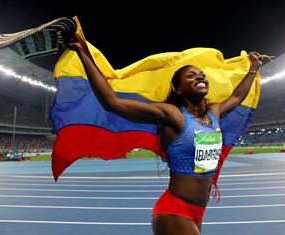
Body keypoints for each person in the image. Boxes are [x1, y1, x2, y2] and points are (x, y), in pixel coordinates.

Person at [66, 33, 263, 235]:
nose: (200, 76)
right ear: (179, 89)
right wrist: (83, 54)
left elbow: (238, 96)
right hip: (174, 211)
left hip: (198, 211)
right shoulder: (172, 115)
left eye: (201, 74)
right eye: (191, 76)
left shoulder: (214, 112)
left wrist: (253, 69)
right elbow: (113, 103)